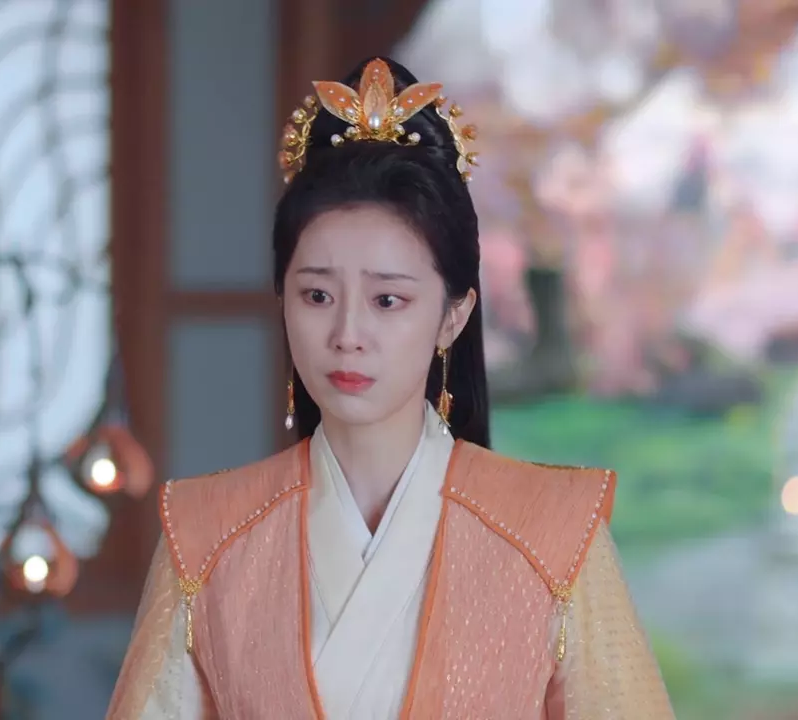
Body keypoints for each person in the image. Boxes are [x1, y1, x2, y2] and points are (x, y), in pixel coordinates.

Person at [107, 57, 674, 719]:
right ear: (282, 300)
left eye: (387, 300)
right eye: (317, 295)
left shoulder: (553, 533)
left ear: (453, 315)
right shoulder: (205, 535)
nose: (348, 334)